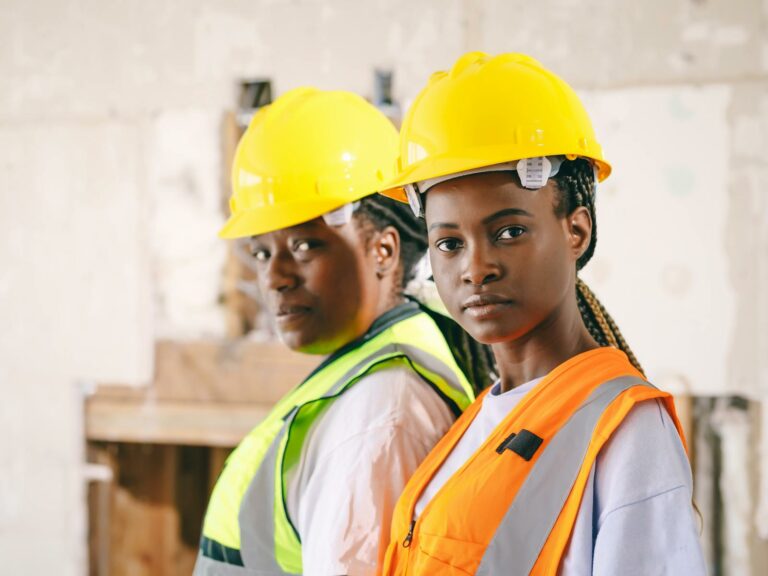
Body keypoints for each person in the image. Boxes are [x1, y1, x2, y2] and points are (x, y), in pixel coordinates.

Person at [379, 52, 705, 575]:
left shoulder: (626, 431)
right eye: (449, 243)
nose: (475, 268)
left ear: (576, 231)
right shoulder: (479, 421)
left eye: (509, 232)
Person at [193, 87, 494, 576]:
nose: (275, 276)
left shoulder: (382, 411)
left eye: (306, 245)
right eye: (264, 252)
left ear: (384, 249)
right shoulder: (368, 374)